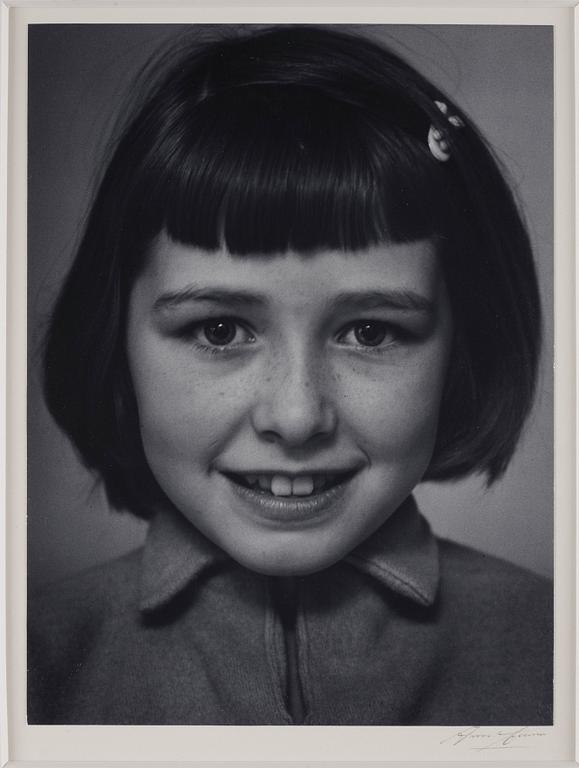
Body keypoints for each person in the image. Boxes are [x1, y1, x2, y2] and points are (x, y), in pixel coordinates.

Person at [28, 25, 552, 726]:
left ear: (463, 351)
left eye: (370, 331)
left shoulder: (553, 650)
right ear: (112, 338)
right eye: (218, 330)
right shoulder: (35, 662)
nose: (297, 416)